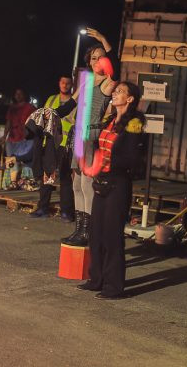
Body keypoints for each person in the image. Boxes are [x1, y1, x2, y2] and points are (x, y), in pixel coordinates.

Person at [77, 81, 145, 300]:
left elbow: (133, 158)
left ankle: (114, 286)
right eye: (115, 91)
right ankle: (96, 279)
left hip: (118, 182)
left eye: (120, 92)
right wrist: (95, 163)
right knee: (96, 232)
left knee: (112, 235)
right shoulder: (110, 121)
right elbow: (98, 145)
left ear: (131, 98)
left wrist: (106, 162)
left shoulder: (134, 123)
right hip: (102, 180)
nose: (115, 94)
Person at [58, 28, 120, 246]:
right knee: (76, 185)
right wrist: (52, 114)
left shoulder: (108, 82)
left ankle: (89, 232)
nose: (97, 61)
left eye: (101, 58)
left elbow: (116, 64)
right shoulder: (87, 81)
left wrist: (103, 39)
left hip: (93, 134)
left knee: (87, 185)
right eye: (94, 58)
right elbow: (70, 104)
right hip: (79, 135)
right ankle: (80, 229)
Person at [30, 76, 75, 221]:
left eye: (68, 83)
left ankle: (66, 212)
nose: (65, 85)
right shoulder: (51, 99)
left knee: (65, 179)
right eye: (62, 82)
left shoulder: (75, 103)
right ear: (59, 84)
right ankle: (43, 208)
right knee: (47, 177)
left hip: (65, 144)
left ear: (71, 85)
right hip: (50, 143)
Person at [0, 88, 36, 189]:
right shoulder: (12, 108)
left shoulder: (30, 107)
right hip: (12, 138)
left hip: (25, 140)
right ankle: (10, 183)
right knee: (11, 161)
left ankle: (24, 183)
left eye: (20, 94)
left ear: (25, 95)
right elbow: (8, 123)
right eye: (16, 94)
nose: (18, 96)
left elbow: (35, 122)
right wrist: (4, 135)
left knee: (24, 162)